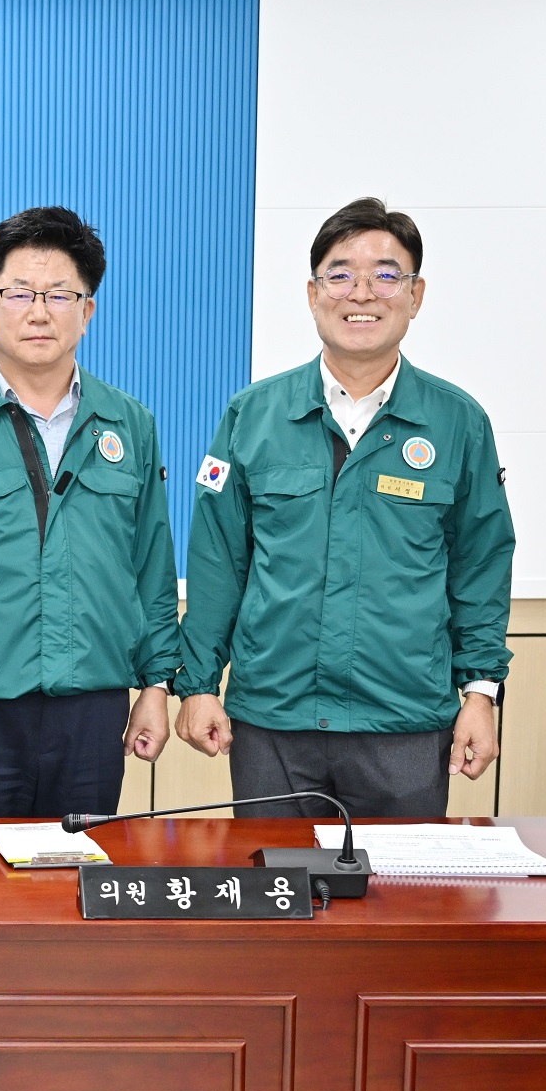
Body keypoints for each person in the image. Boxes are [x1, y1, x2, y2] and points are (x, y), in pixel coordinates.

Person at [175, 197, 512, 818]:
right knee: (274, 877)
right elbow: (219, 560)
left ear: (415, 295)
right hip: (274, 720)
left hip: (404, 721)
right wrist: (197, 684)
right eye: (340, 274)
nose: (362, 293)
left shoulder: (459, 422)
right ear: (313, 293)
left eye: (386, 274)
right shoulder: (252, 415)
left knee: (402, 884)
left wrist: (481, 693)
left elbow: (481, 566)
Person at [0, 207, 179, 817]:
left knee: (81, 867)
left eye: (61, 295)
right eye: (18, 293)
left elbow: (151, 564)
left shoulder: (131, 424)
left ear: (88, 312)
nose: (39, 312)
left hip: (94, 704)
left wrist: (156, 684)